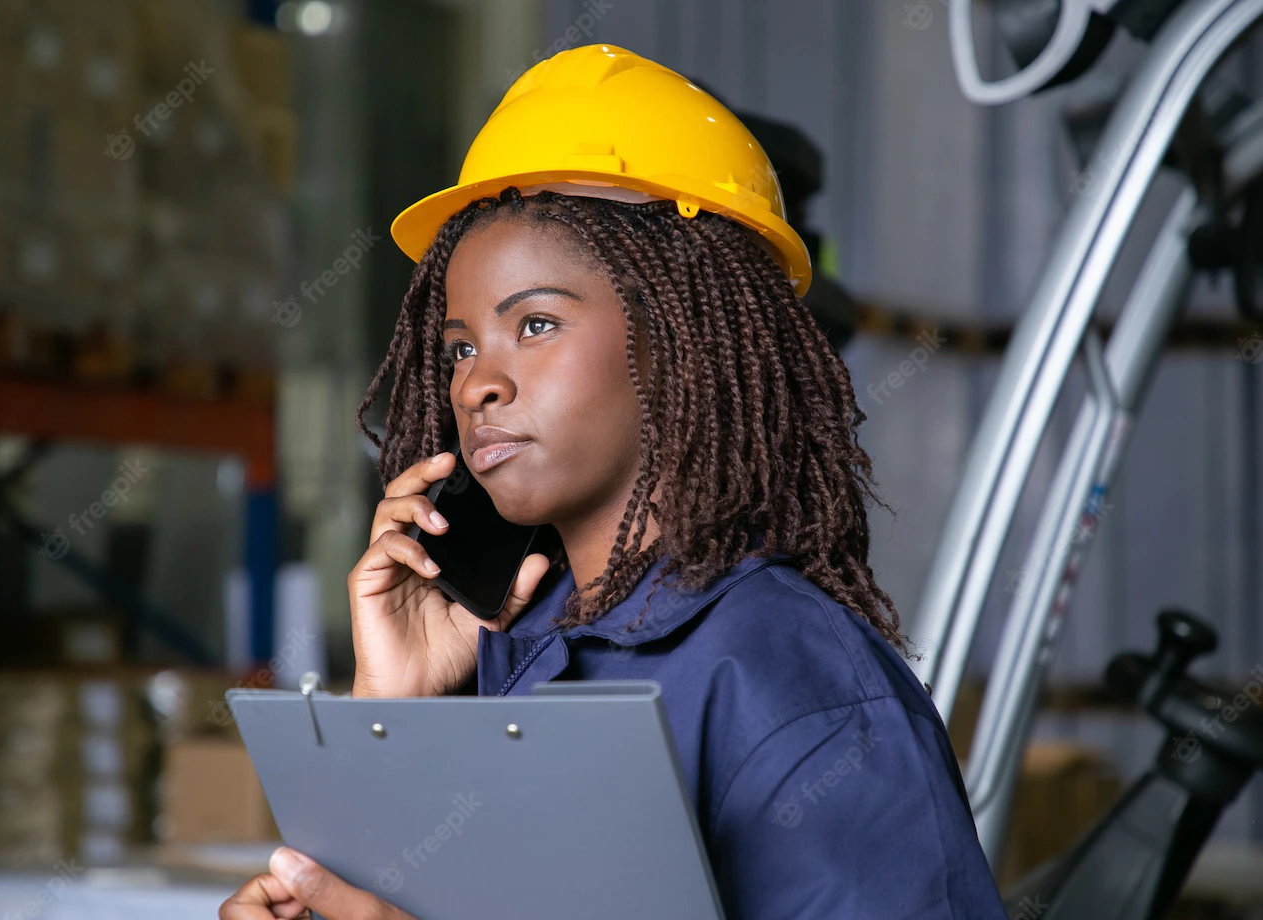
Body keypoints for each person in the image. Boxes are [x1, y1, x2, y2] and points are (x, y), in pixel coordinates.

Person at [220, 43, 1007, 920]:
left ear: (683, 345)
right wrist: (392, 713)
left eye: (538, 323)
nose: (476, 382)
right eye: (460, 347)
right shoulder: (520, 646)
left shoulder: (795, 684)